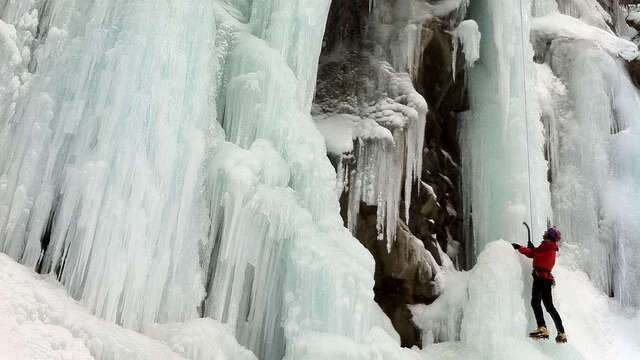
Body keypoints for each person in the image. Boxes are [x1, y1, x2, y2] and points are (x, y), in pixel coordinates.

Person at [512, 227, 567, 343]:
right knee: (549, 307)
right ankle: (561, 333)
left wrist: (520, 248)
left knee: (535, 302)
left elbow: (533, 254)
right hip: (546, 279)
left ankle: (542, 328)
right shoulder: (550, 247)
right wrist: (532, 249)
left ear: (549, 235)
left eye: (547, 232)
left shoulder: (547, 245)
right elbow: (537, 253)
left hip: (541, 277)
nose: (544, 232)